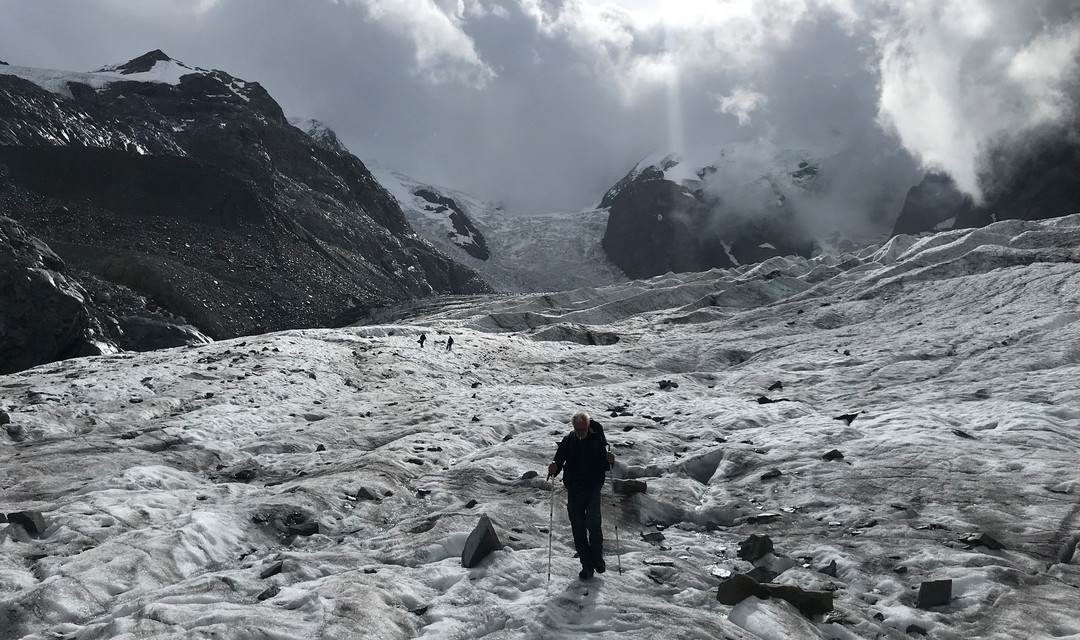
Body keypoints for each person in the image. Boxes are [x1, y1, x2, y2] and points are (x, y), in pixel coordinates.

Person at [547, 411, 616, 580]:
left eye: (582, 428)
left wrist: (610, 460)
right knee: (578, 529)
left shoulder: (597, 439)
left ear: (587, 426)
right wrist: (554, 468)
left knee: (593, 524)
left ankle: (598, 558)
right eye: (577, 429)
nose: (580, 432)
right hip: (575, 489)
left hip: (593, 489)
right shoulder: (569, 440)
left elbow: (606, 466)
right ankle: (587, 566)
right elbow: (559, 460)